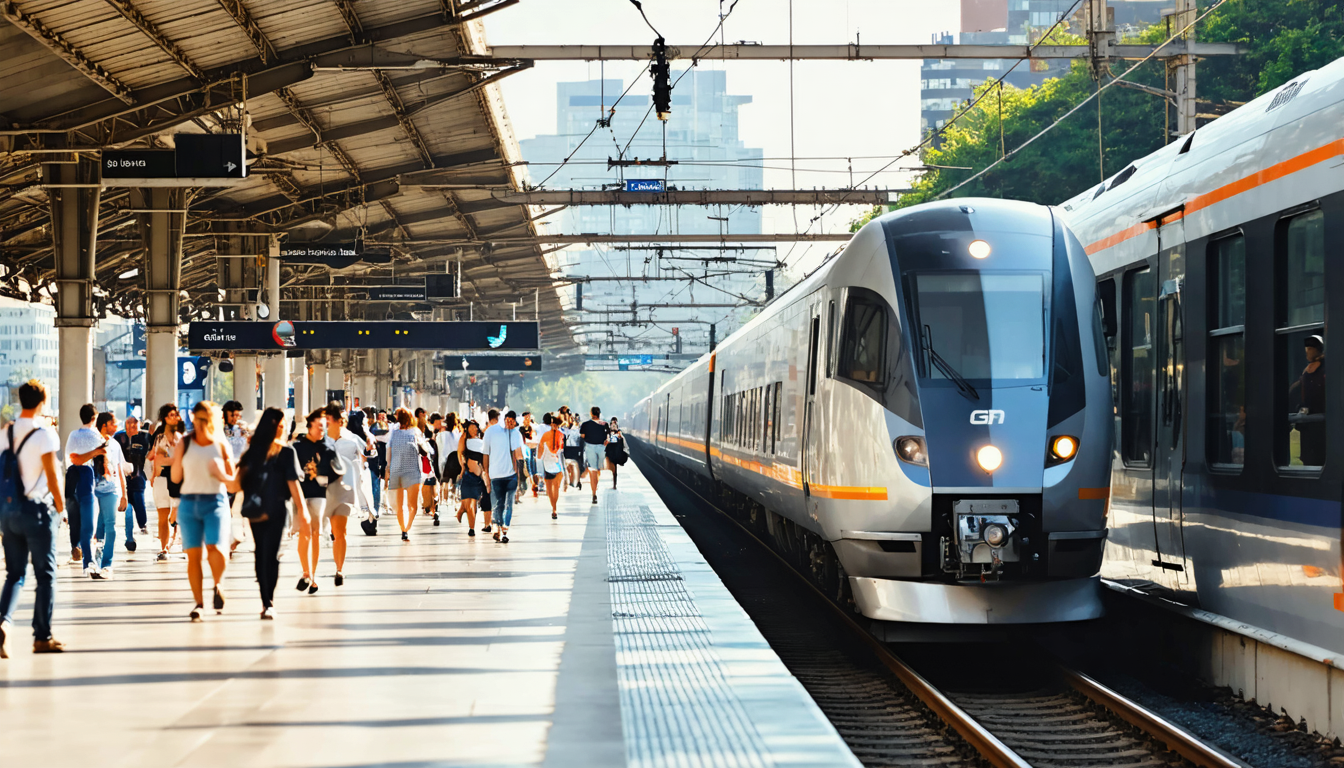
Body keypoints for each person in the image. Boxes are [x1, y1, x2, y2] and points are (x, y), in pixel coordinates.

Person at [0, 379, 67, 657]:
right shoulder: (44, 433)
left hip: (8, 511)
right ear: (42, 401)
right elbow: (52, 475)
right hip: (37, 511)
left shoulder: (5, 432)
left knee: (14, 573)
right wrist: (62, 509)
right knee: (45, 575)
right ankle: (42, 636)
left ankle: (3, 621)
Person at [230, 407, 304, 620]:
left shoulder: (286, 452)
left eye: (284, 426)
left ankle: (268, 601)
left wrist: (303, 513)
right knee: (262, 552)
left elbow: (294, 485)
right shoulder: (253, 451)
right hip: (258, 510)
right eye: (280, 426)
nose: (283, 430)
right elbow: (237, 483)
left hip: (277, 509)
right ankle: (266, 601)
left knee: (270, 554)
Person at [170, 401, 236, 622]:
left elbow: (233, 483)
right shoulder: (185, 443)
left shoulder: (221, 445)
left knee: (215, 548)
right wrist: (176, 462)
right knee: (193, 556)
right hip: (189, 503)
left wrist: (220, 474)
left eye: (204, 420)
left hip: (214, 502)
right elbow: (176, 478)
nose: (198, 424)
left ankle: (218, 585)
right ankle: (198, 604)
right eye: (196, 419)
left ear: (212, 421)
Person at [292, 408, 343, 590]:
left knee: (316, 533)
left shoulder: (328, 445)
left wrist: (327, 478)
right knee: (304, 533)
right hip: (300, 494)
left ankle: (312, 574)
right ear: (310, 425)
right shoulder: (298, 446)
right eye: (319, 426)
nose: (322, 429)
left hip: (320, 494)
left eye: (324, 426)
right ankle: (306, 572)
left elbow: (338, 469)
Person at [324, 404, 365, 585]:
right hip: (324, 489)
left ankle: (339, 569)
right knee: (331, 531)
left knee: (340, 531)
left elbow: (364, 458)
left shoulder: (352, 439)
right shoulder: (321, 440)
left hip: (345, 489)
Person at [63, 403, 103, 573]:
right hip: (88, 480)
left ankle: (76, 546)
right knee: (89, 524)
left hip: (72, 480)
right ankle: (88, 559)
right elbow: (103, 461)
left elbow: (69, 457)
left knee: (74, 519)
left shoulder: (73, 435)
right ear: (94, 418)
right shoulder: (98, 437)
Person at [90, 412, 127, 580]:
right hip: (93, 491)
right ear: (104, 424)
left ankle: (107, 565)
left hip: (111, 491)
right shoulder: (91, 441)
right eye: (114, 423)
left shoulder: (115, 445)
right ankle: (96, 563)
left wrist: (124, 494)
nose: (117, 427)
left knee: (110, 527)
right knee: (98, 529)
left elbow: (119, 470)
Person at [482, 410, 524, 543]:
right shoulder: (492, 431)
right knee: (506, 504)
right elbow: (519, 456)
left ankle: (499, 528)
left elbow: (486, 454)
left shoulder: (510, 433)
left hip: (501, 475)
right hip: (503, 475)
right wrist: (486, 474)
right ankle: (501, 528)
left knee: (499, 503)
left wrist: (487, 474)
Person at [149, 404, 183, 561]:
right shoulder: (160, 437)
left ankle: (174, 539)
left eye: (176, 414)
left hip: (178, 480)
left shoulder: (182, 438)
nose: (175, 417)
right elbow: (159, 460)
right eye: (171, 415)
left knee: (175, 514)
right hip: (162, 480)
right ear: (164, 418)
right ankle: (164, 548)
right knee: (162, 516)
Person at [385, 408, 422, 542]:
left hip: (397, 469)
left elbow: (388, 450)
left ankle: (404, 529)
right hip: (412, 469)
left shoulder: (393, 433)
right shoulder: (415, 432)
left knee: (399, 505)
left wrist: (388, 467)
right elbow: (424, 449)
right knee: (412, 505)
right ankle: (406, 528)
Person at [113, 415, 151, 547]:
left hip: (139, 477)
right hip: (123, 478)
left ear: (139, 425)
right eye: (128, 425)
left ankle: (142, 523)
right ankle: (129, 537)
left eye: (134, 425)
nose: (131, 428)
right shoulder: (119, 437)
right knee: (128, 507)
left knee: (139, 502)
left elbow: (151, 453)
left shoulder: (145, 437)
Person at [1290, 334, 1327, 466]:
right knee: (1308, 457)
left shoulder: (1325, 369)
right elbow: (1297, 389)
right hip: (1308, 422)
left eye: (1311, 348)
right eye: (1307, 348)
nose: (1307, 350)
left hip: (1322, 421)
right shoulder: (1306, 371)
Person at [221, 400, 251, 557]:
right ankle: (230, 538)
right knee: (227, 506)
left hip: (241, 469)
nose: (235, 418)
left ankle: (236, 536)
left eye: (238, 415)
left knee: (239, 507)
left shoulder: (242, 429)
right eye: (233, 415)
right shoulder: (220, 430)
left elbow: (250, 445)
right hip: (226, 470)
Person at [457, 421, 486, 535]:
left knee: (473, 504)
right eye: (472, 427)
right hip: (468, 475)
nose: (474, 430)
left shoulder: (481, 441)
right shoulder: (465, 439)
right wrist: (462, 467)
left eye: (475, 428)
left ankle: (471, 527)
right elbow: (460, 453)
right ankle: (471, 528)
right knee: (468, 503)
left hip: (478, 477)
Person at [580, 407, 609, 505]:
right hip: (601, 447)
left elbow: (582, 436)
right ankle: (596, 485)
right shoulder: (605, 424)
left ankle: (594, 493)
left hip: (590, 447)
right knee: (598, 470)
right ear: (599, 413)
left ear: (591, 413)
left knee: (593, 471)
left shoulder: (585, 424)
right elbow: (608, 437)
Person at [538, 413, 565, 520]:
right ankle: (554, 508)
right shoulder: (561, 435)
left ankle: (553, 508)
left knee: (549, 489)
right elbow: (561, 450)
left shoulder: (545, 435)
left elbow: (540, 453)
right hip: (557, 464)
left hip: (547, 464)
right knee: (556, 487)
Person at [438, 413, 462, 508]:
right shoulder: (459, 435)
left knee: (444, 482)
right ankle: (454, 497)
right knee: (454, 482)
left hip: (445, 462)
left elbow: (440, 451)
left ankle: (444, 499)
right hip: (456, 462)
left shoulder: (441, 435)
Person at [422, 413, 442, 525]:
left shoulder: (437, 435)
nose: (439, 425)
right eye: (438, 423)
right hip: (430, 465)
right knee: (431, 486)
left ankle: (432, 508)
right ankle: (432, 508)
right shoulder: (431, 436)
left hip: (431, 465)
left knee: (432, 486)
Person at [606, 416, 628, 489]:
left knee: (614, 469)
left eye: (615, 423)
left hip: (616, 451)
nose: (614, 425)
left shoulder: (619, 431)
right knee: (611, 467)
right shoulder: (608, 431)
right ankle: (614, 482)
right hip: (610, 450)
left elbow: (622, 440)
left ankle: (614, 484)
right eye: (612, 423)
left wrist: (619, 435)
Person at [562, 414, 583, 490]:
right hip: (567, 448)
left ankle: (574, 482)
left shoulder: (579, 428)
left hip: (576, 448)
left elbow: (581, 439)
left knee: (575, 465)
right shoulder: (565, 428)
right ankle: (569, 482)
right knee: (568, 466)